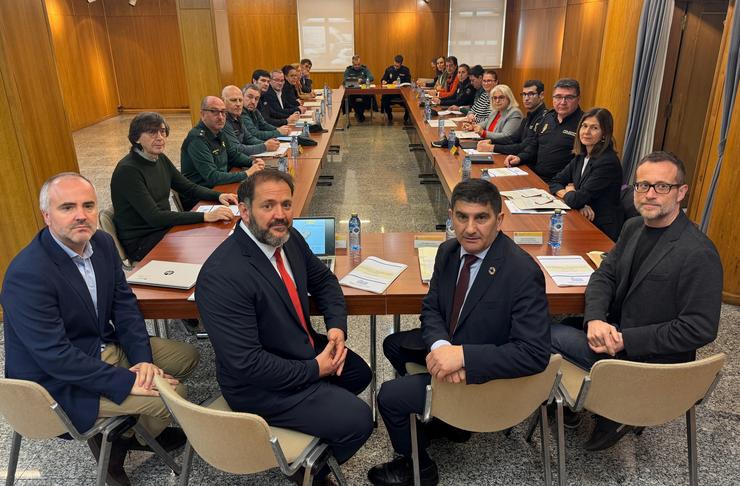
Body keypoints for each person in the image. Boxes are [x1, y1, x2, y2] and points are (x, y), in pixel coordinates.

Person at [2, 173, 200, 486]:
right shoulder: (28, 274)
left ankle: (131, 432)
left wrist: (142, 361)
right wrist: (126, 381)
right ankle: (116, 446)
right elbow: (55, 357)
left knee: (186, 357)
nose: (81, 215)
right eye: (67, 207)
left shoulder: (102, 244)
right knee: (173, 396)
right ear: (47, 216)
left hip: (97, 346)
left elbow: (124, 307)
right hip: (53, 380)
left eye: (88, 205)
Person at [369, 179, 551, 486]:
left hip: (486, 375)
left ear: (499, 219)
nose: (469, 228)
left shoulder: (522, 272)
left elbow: (533, 354)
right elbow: (431, 309)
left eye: (481, 218)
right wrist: (441, 347)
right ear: (451, 215)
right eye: (462, 217)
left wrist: (462, 357)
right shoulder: (448, 251)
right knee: (394, 345)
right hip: (454, 344)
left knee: (388, 396)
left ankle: (420, 467)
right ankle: (449, 421)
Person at [196, 170, 374, 483]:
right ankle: (306, 473)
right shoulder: (222, 275)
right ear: (245, 210)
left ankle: (313, 415)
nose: (280, 215)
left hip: (296, 351)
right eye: (268, 206)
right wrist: (314, 371)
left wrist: (336, 328)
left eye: (286, 204)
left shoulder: (286, 239)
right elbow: (247, 364)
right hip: (258, 387)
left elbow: (324, 281)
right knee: (360, 420)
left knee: (359, 373)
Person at [550, 151, 723, 451]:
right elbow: (605, 275)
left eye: (662, 187)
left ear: (681, 192)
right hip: (617, 332)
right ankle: (593, 409)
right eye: (643, 186)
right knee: (568, 323)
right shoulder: (633, 227)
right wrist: (595, 319)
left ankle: (617, 409)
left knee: (545, 333)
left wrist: (624, 340)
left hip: (648, 363)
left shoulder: (698, 253)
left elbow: (699, 329)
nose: (649, 194)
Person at [111, 112, 237, 262]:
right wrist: (206, 216)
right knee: (207, 249)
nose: (160, 137)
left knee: (217, 239)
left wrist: (217, 196)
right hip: (143, 242)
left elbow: (187, 187)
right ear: (136, 138)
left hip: (164, 229)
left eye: (162, 131)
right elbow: (155, 217)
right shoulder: (128, 170)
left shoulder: (159, 158)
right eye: (152, 132)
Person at [549, 108, 623, 241]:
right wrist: (575, 198)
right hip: (581, 217)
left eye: (594, 128)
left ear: (605, 133)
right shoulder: (581, 156)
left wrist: (571, 191)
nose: (587, 132)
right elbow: (554, 182)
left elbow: (576, 199)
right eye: (584, 126)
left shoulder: (607, 162)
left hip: (600, 228)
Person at [180, 96, 265, 210]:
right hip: (201, 199)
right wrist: (246, 173)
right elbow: (212, 177)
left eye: (223, 112)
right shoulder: (197, 139)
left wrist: (252, 161)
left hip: (221, 188)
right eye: (214, 112)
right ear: (202, 114)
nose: (220, 117)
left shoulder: (219, 132)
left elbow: (234, 155)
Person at [503, 78, 584, 184]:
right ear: (553, 98)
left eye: (569, 97)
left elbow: (585, 161)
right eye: (558, 97)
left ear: (578, 99)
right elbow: (534, 145)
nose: (563, 102)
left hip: (562, 184)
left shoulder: (584, 124)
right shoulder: (547, 117)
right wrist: (520, 158)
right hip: (536, 176)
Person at [478, 79, 547, 153]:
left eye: (531, 94)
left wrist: (492, 147)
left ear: (541, 95)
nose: (526, 98)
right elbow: (513, 138)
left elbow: (524, 146)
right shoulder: (529, 116)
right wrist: (491, 141)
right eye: (524, 94)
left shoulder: (544, 118)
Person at [220, 85, 281, 156]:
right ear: (223, 101)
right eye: (233, 100)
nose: (238, 104)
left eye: (240, 100)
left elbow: (249, 138)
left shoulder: (237, 116)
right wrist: (265, 146)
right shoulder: (223, 120)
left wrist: (267, 143)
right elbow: (237, 149)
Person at [380, 54, 412, 123]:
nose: (396, 65)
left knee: (409, 100)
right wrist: (383, 81)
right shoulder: (389, 69)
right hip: (391, 93)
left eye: (398, 63)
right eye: (395, 63)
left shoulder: (405, 70)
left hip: (402, 93)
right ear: (394, 61)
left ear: (401, 63)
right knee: (384, 98)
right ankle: (389, 114)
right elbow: (383, 79)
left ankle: (407, 116)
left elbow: (408, 81)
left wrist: (399, 83)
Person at [343, 55, 375, 122]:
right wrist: (354, 80)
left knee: (367, 97)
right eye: (355, 65)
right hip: (353, 92)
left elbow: (371, 77)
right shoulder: (348, 70)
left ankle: (359, 114)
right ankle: (359, 114)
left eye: (358, 64)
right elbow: (344, 81)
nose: (357, 66)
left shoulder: (364, 69)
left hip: (363, 91)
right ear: (352, 63)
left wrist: (362, 81)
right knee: (350, 98)